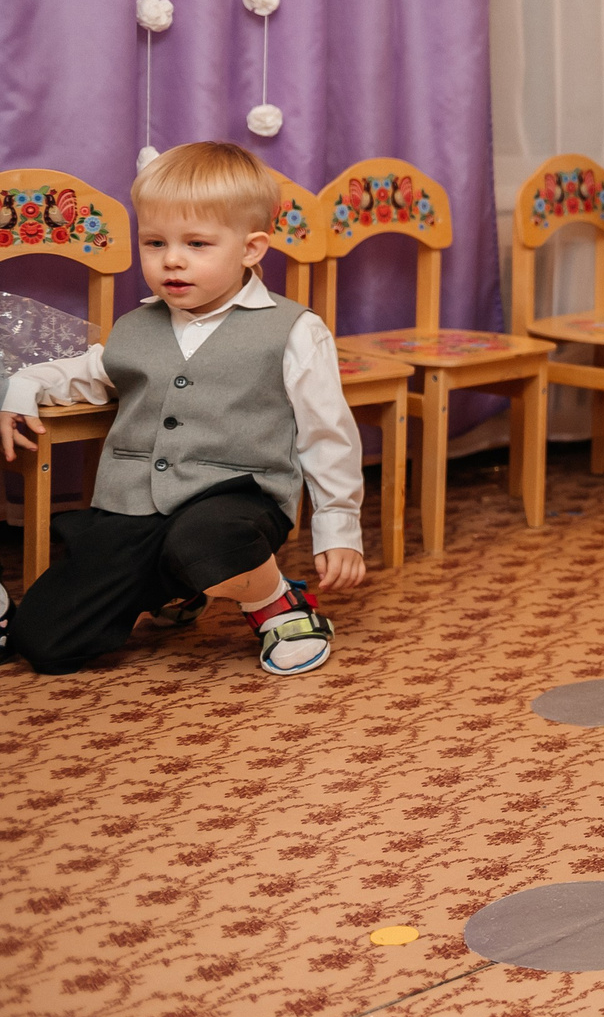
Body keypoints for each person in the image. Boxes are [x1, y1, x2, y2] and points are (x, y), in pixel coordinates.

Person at [2, 143, 365, 677]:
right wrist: (21, 388)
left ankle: (277, 604)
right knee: (46, 642)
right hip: (131, 506)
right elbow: (86, 373)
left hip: (236, 500)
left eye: (196, 244)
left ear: (251, 249)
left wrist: (338, 525)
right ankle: (183, 585)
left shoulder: (293, 329)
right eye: (155, 243)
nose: (171, 259)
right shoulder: (135, 326)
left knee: (206, 539)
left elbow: (327, 435)